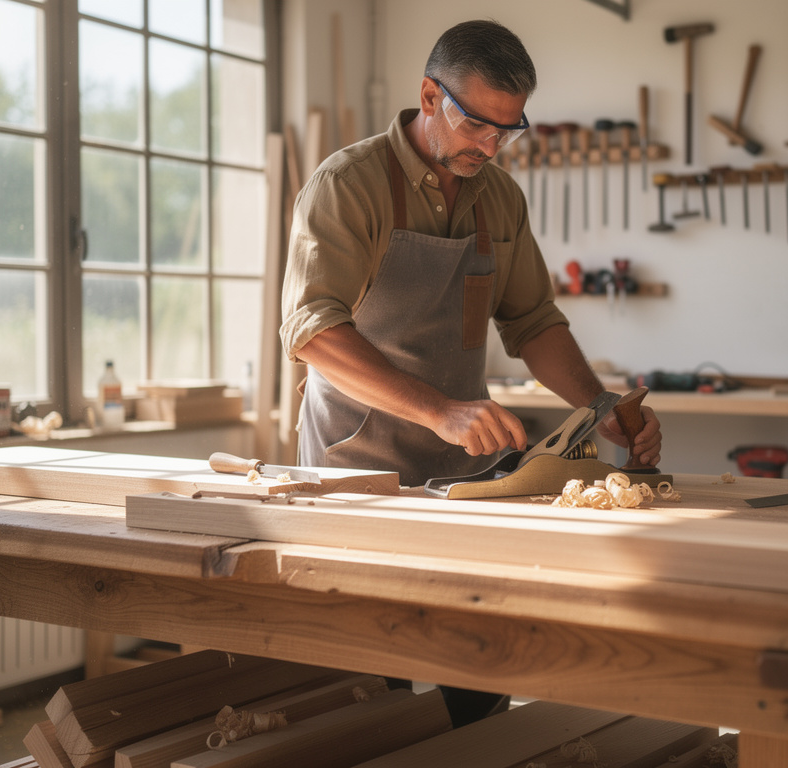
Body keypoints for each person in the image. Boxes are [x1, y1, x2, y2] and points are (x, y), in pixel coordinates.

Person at [279, 19, 663, 724]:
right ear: (429, 96)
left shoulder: (499, 198)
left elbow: (534, 321)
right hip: (356, 468)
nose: (489, 146)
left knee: (479, 661)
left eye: (507, 130)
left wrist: (600, 405)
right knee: (371, 687)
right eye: (477, 124)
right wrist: (440, 410)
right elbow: (311, 331)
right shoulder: (349, 186)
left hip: (466, 470)